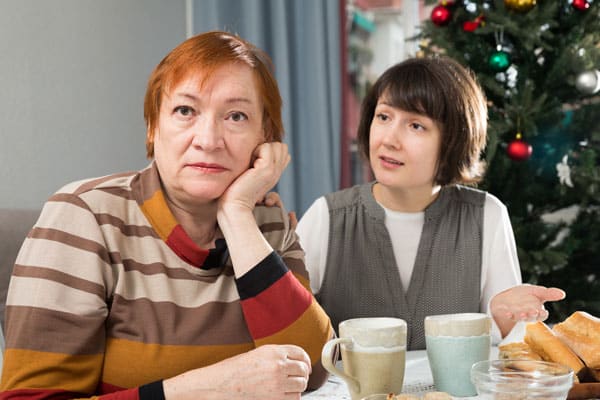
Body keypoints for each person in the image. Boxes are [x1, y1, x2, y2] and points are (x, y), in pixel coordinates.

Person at [0, 31, 333, 400]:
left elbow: (314, 369)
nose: (208, 139)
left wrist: (237, 214)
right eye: (185, 111)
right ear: (153, 126)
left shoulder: (266, 224)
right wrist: (210, 389)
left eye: (236, 116)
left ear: (265, 137)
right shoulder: (84, 217)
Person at [296, 56, 564, 350]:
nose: (389, 139)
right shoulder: (327, 217)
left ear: (453, 140)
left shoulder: (487, 216)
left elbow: (508, 350)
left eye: (416, 125)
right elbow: (287, 329)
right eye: (383, 117)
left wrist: (502, 320)